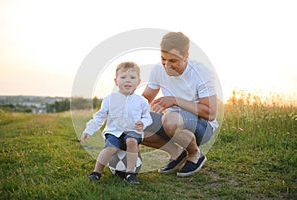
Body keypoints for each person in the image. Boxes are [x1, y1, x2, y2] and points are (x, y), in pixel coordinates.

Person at [142, 32, 218, 177]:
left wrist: (175, 100)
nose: (167, 65)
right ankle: (177, 154)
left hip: (203, 127)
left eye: (173, 60)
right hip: (171, 123)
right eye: (163, 59)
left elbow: (210, 113)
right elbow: (146, 98)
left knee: (170, 119)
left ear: (186, 56)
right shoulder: (158, 70)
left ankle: (195, 154)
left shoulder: (201, 72)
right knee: (131, 122)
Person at [80, 61, 152, 183]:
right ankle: (96, 172)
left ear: (139, 82)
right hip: (114, 132)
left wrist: (143, 123)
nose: (128, 80)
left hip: (133, 131)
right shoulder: (109, 99)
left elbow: (147, 117)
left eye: (132, 77)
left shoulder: (142, 101)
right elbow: (100, 116)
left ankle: (130, 173)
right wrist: (89, 130)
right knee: (110, 148)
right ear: (116, 81)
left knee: (131, 141)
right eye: (123, 77)